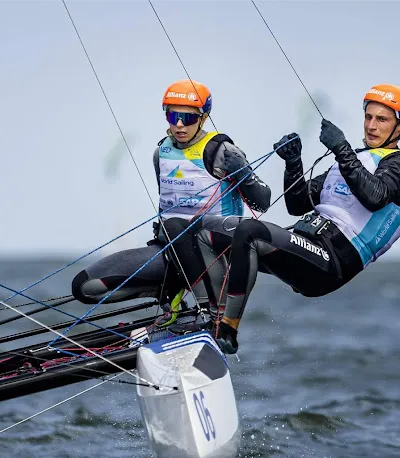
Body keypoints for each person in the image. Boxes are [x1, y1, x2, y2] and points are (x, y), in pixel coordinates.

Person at [208, 83, 400, 354]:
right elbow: (297, 204)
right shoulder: (353, 161)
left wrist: (341, 148)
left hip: (331, 262)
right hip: (306, 245)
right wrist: (293, 161)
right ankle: (203, 313)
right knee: (209, 231)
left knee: (250, 231)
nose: (371, 126)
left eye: (382, 120)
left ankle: (227, 330)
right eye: (368, 117)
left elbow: (375, 196)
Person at [71, 80, 271, 325]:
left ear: (204, 118)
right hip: (172, 252)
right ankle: (166, 291)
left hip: (216, 256)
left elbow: (263, 202)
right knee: (85, 287)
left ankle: (211, 315)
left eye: (187, 118)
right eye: (172, 116)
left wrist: (243, 174)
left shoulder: (223, 151)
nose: (178, 125)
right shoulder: (161, 154)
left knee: (179, 226)